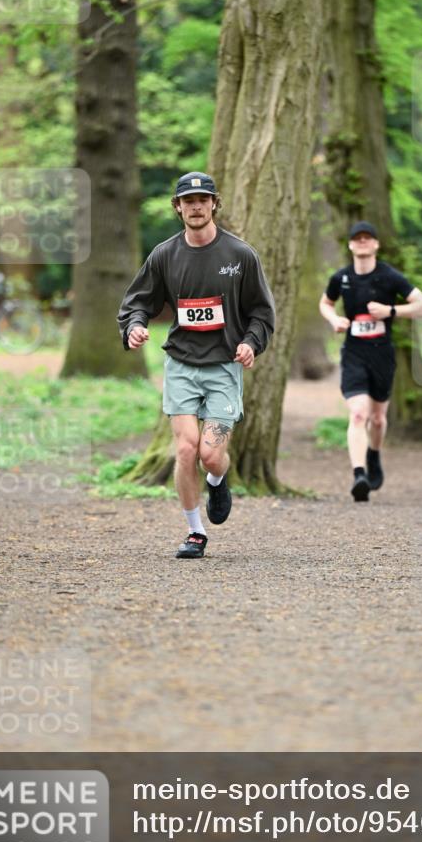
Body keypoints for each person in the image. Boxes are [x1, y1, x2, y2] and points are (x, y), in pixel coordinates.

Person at [117, 172, 275, 559]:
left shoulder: (240, 255)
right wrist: (134, 326)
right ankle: (195, 532)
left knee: (210, 455)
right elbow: (137, 302)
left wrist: (250, 343)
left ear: (214, 204)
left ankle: (217, 480)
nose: (196, 207)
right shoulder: (164, 255)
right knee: (186, 450)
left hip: (223, 366)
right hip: (181, 365)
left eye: (203, 200)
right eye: (189, 201)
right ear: (178, 207)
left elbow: (261, 312)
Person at [319, 221, 422, 502]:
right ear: (350, 245)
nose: (362, 242)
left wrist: (390, 310)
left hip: (382, 354)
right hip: (354, 353)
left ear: (376, 244)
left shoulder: (389, 276)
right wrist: (334, 319)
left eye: (367, 238)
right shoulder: (341, 278)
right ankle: (359, 475)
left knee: (378, 419)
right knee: (359, 413)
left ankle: (374, 454)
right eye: (357, 238)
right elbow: (325, 303)